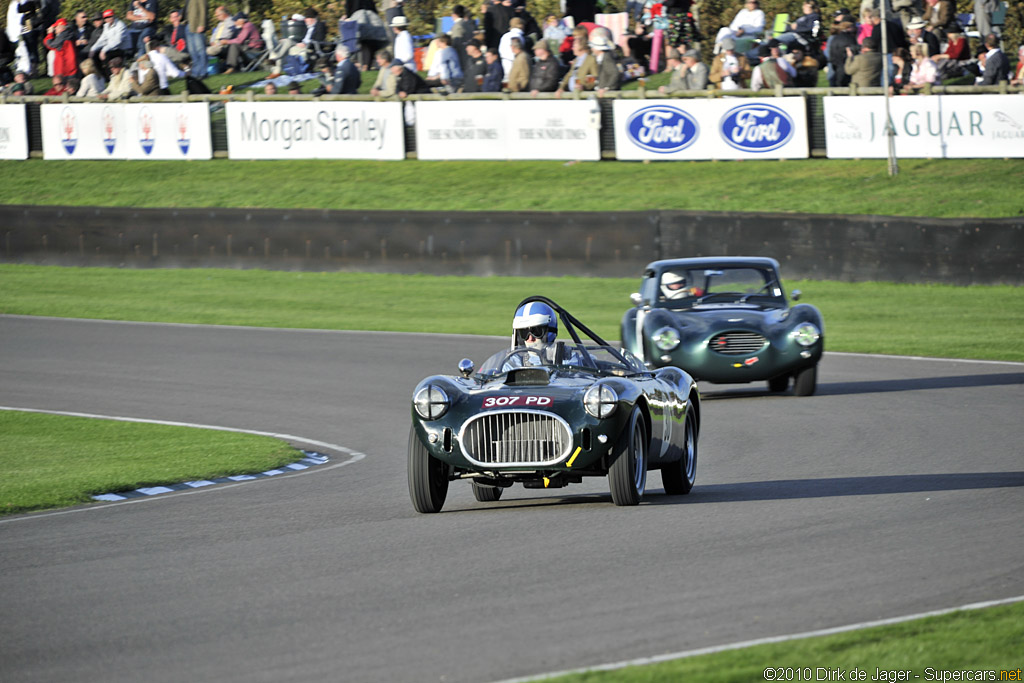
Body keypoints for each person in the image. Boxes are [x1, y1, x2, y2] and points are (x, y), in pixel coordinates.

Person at [268, 7, 325, 77]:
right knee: (285, 42)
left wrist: (307, 43)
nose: (305, 20)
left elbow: (319, 39)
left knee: (287, 42)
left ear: (312, 19)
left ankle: (274, 58)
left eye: (307, 18)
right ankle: (276, 71)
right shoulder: (307, 26)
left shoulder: (320, 26)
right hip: (301, 45)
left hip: (309, 47)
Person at [826, 19, 857, 86]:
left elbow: (831, 52)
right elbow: (854, 51)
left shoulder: (835, 38)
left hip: (837, 65)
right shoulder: (850, 38)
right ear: (848, 28)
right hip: (847, 64)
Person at [184, 0, 207, 77]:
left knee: (200, 50)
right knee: (192, 51)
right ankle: (196, 72)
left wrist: (202, 24)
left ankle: (203, 72)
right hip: (188, 25)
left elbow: (203, 10)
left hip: (197, 25)